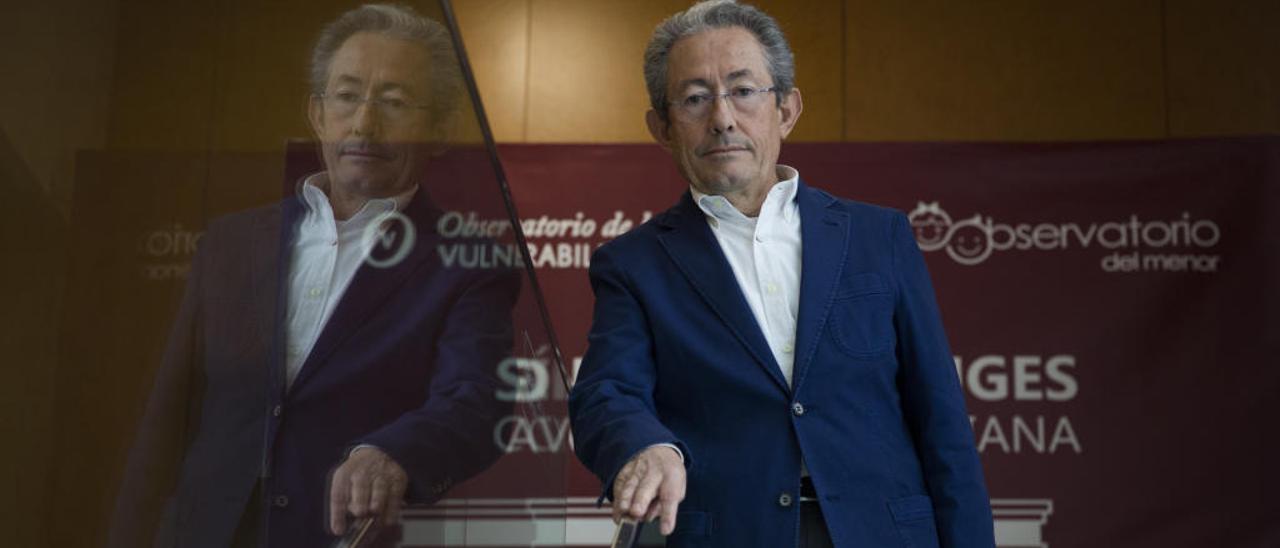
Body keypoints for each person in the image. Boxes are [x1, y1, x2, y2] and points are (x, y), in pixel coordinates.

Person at [568, 1, 995, 547]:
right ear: (662, 128)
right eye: (696, 98)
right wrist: (649, 446)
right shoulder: (633, 263)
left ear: (787, 109)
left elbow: (942, 422)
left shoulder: (878, 237)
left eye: (744, 91)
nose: (722, 117)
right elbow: (608, 392)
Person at [110, 5, 516, 547]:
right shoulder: (231, 243)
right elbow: (167, 417)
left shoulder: (467, 263)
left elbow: (472, 400)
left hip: (341, 536)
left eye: (394, 103)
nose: (364, 124)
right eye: (347, 96)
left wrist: (393, 451)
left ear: (440, 128)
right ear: (317, 113)